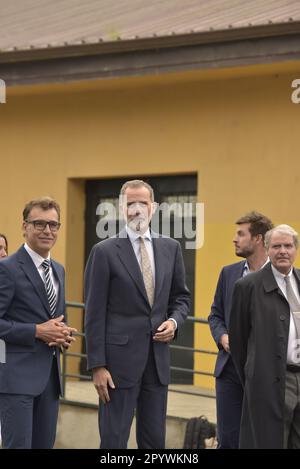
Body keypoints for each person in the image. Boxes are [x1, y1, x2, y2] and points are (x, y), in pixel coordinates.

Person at [84, 179, 190, 449]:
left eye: (142, 203)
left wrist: (174, 321)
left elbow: (181, 298)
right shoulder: (104, 252)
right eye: (130, 204)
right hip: (117, 368)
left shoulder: (171, 248)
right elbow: (94, 313)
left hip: (157, 364)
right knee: (114, 440)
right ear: (121, 209)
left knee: (154, 442)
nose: (137, 210)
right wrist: (97, 365)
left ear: (153, 208)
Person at [0, 197, 76, 449]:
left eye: (53, 225)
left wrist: (62, 334)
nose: (47, 230)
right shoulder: (7, 268)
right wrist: (36, 331)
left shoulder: (59, 269)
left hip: (50, 381)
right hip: (16, 380)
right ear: (24, 227)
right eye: (39, 223)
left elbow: (56, 316)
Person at [229, 224, 300, 449]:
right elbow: (238, 343)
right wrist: (255, 377)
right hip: (269, 384)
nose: (283, 251)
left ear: (295, 249)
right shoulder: (247, 286)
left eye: (288, 246)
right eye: (276, 246)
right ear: (267, 249)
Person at [208, 211, 273, 448]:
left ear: (258, 239)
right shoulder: (228, 273)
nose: (235, 239)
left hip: (268, 372)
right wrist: (223, 336)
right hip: (229, 371)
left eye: (240, 234)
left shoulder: (280, 276)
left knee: (263, 438)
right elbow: (215, 314)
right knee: (229, 439)